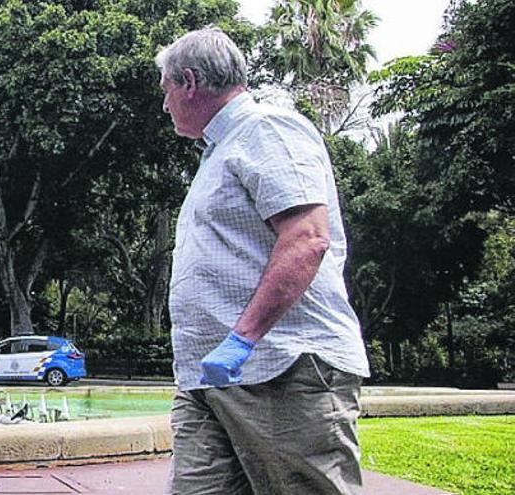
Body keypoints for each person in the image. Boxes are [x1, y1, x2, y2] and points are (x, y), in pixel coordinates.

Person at [156, 27, 370, 495]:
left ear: (189, 82)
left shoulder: (267, 128)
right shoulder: (218, 154)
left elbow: (307, 238)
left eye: (166, 89)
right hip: (206, 380)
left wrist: (241, 340)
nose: (164, 103)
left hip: (281, 368)